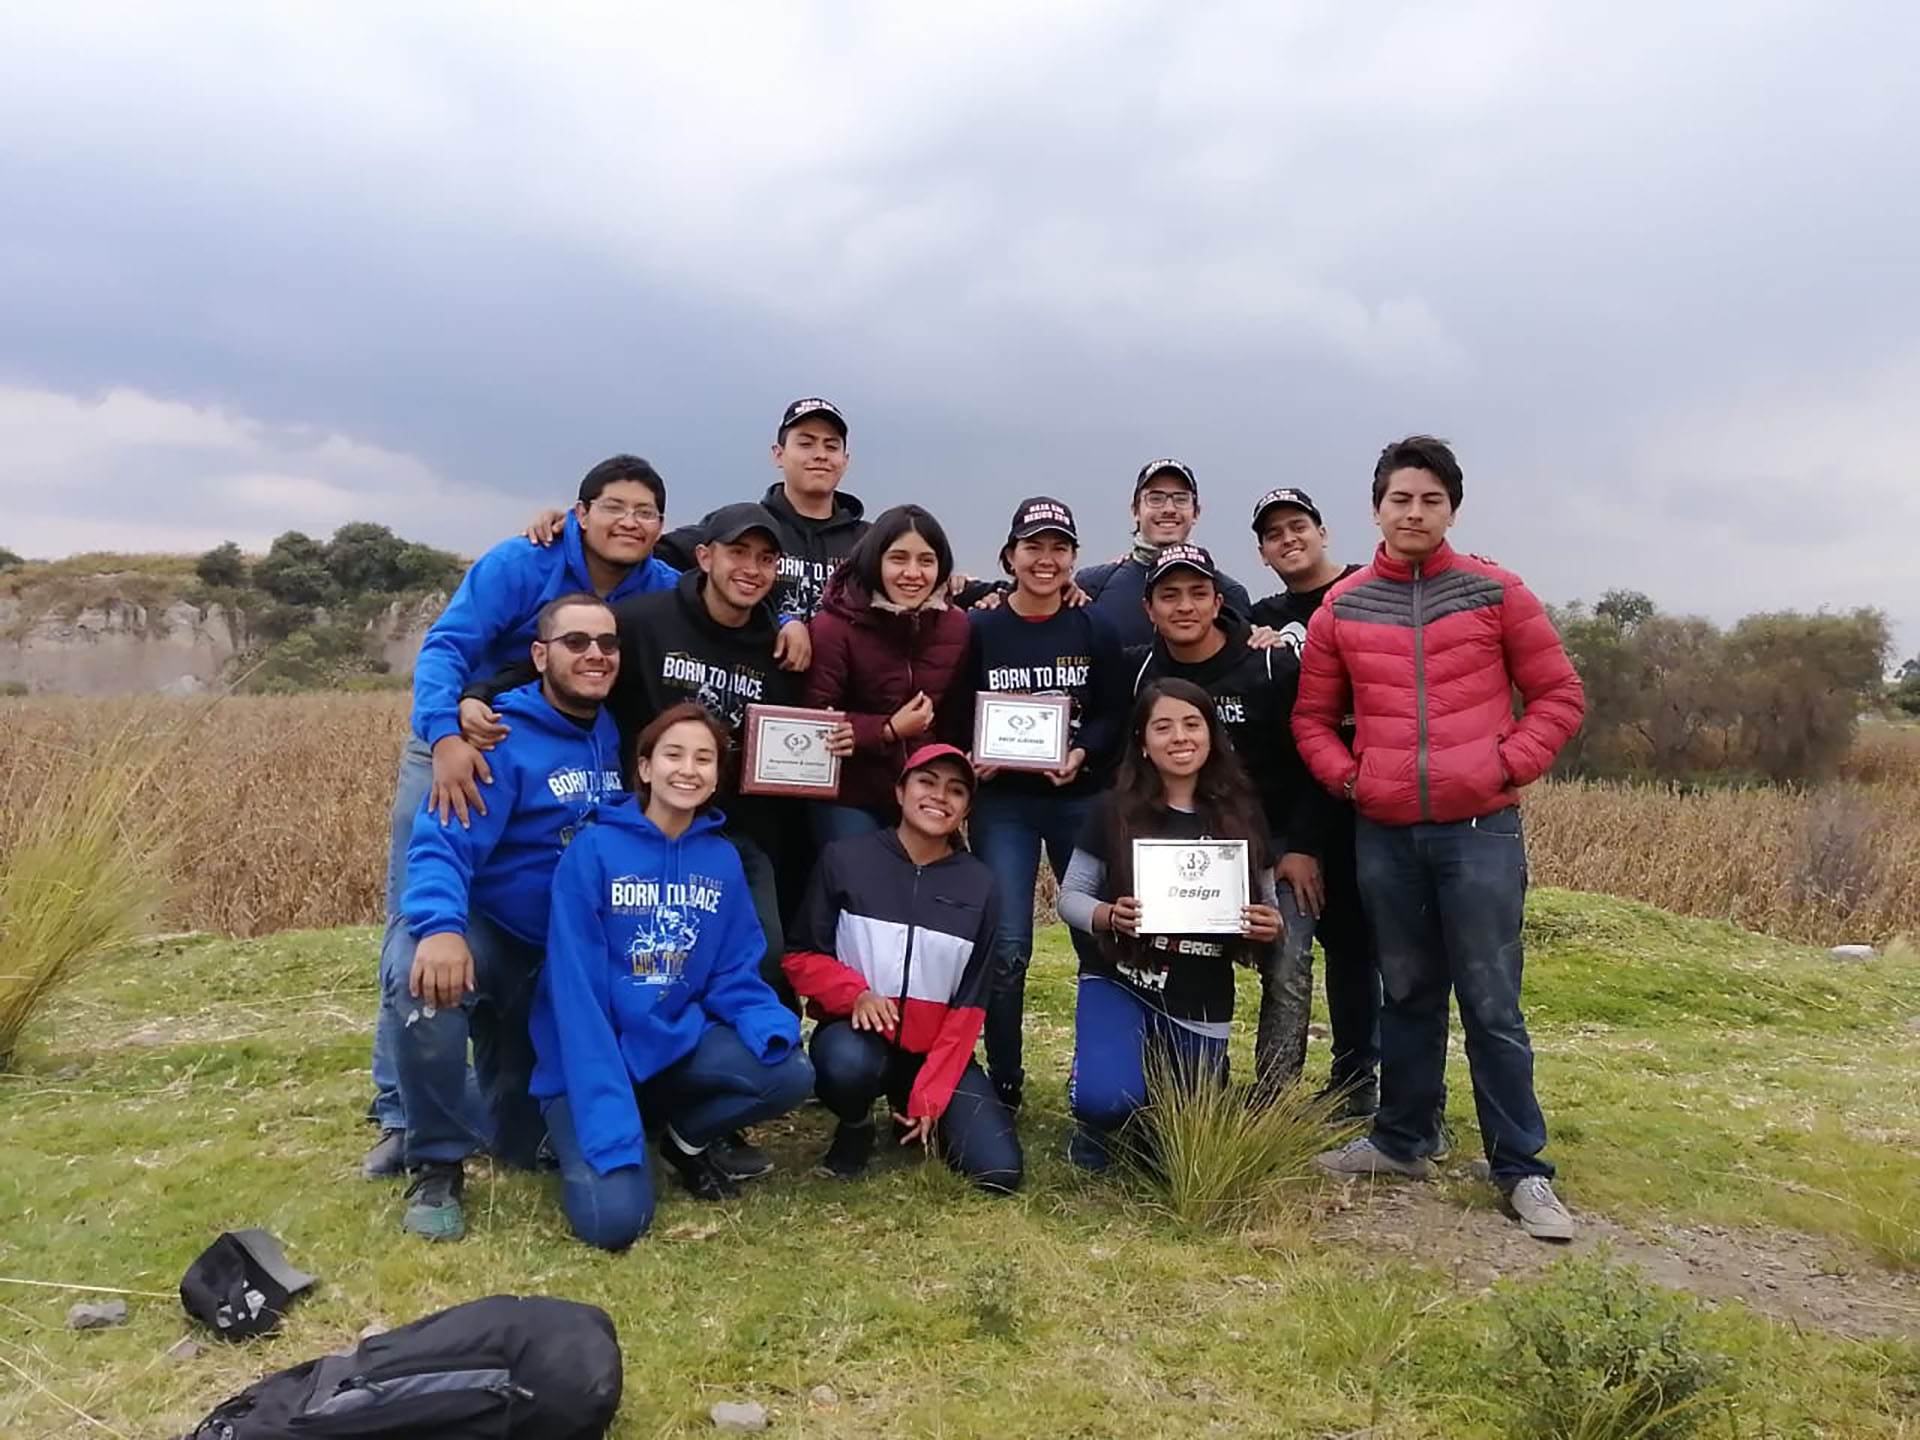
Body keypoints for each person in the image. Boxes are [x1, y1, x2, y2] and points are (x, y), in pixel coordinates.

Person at [465, 505, 849, 1183]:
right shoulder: (643, 622)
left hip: (732, 838)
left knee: (755, 965)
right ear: (705, 556)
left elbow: (810, 724)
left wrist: (844, 734)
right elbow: (567, 664)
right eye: (738, 554)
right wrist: (478, 694)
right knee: (611, 972)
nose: (751, 570)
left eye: (767, 560)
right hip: (636, 832)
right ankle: (601, 1099)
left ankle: (696, 1118)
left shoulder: (781, 643)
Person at [1293, 435, 1586, 1243]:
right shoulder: (1343, 607)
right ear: (1376, 508)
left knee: (1492, 1004)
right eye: (1399, 499)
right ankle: (1402, 1139)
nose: (1413, 512)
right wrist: (1354, 782)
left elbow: (1559, 694)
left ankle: (1522, 1169)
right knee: (1408, 993)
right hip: (1385, 832)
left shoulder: (1496, 591)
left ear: (1451, 507)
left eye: (1430, 499)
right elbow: (1313, 721)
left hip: (1481, 829)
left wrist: (1505, 765)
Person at [365, 456, 677, 1180]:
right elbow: (447, 646)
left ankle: (522, 1094)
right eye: (615, 508)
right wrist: (445, 731)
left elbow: (728, 581)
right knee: (420, 921)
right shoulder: (520, 560)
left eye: (646, 512)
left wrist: (788, 617)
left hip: (569, 741)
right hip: (470, 740)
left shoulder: (657, 579)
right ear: (579, 512)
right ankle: (399, 1112)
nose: (630, 523)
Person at [389, 593, 628, 1241]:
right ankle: (435, 1162)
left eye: (607, 644)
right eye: (576, 642)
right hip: (493, 933)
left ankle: (490, 1107)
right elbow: (442, 841)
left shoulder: (613, 731)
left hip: (563, 955)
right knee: (424, 984)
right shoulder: (499, 736)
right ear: (540, 654)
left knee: (520, 1146)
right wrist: (440, 928)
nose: (595, 655)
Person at [532, 703, 815, 1250]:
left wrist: (765, 1023)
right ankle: (588, 1129)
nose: (689, 769)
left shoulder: (721, 860)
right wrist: (605, 1109)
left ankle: (679, 1137)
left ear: (716, 777)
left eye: (704, 759)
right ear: (644, 768)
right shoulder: (593, 851)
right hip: (592, 1059)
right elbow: (576, 996)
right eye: (674, 755)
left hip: (670, 1046)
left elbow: (734, 969)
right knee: (615, 1224)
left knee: (791, 1071)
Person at [1057, 680, 1282, 1171]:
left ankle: (1142, 1100)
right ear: (1142, 741)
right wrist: (1107, 915)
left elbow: (1269, 905)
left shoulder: (1243, 813)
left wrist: (1268, 924)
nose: (1179, 737)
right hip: (1121, 980)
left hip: (1199, 993)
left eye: (1192, 724)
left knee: (1181, 1138)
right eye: (1163, 727)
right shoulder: (1112, 809)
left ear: (1211, 734)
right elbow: (1069, 897)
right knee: (1106, 1099)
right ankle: (1093, 1107)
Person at [1131, 542, 1327, 1097]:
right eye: (1169, 595)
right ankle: (1178, 1085)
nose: (1184, 606)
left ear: (1219, 600)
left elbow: (1314, 760)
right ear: (1150, 609)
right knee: (1171, 954)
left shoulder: (1269, 663)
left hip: (1278, 840)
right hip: (1189, 846)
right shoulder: (1143, 672)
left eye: (1198, 593)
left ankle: (1272, 1100)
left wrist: (1304, 847)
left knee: (1287, 958)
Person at [783, 744, 1021, 1192]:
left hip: (933, 1050)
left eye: (955, 790)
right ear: (900, 791)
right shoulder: (845, 859)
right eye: (926, 783)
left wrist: (932, 1094)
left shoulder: (980, 883)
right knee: (845, 1064)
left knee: (999, 1173)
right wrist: (854, 993)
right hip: (858, 1038)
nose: (939, 797)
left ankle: (910, 1105)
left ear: (967, 808)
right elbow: (800, 956)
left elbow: (972, 1004)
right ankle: (855, 1125)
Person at [965, 497, 1129, 1115]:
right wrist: (969, 756)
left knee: (1098, 937)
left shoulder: (1095, 627)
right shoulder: (978, 627)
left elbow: (1115, 710)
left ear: (1074, 559)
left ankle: (1100, 1072)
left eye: (1059, 547)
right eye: (1034, 546)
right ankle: (1005, 1080)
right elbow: (959, 705)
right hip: (1004, 803)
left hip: (1078, 800)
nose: (1046, 558)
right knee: (1008, 948)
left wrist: (1083, 751)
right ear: (1010, 556)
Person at [1246, 487, 1380, 1115]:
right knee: (1301, 944)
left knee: (1356, 944)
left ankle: (1359, 1080)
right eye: (1275, 534)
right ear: (1263, 552)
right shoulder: (1263, 614)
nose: (1289, 539)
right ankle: (1283, 1089)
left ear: (1323, 531)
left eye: (1298, 526)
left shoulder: (1365, 587)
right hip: (1301, 789)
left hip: (1364, 789)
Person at [802, 505, 973, 844]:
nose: (912, 572)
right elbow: (814, 719)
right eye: (898, 558)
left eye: (926, 560)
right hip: (848, 794)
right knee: (862, 884)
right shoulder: (833, 625)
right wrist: (888, 730)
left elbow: (957, 714)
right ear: (875, 560)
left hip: (924, 793)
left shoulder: (957, 625)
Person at [1074, 459, 1254, 649]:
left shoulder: (1229, 591)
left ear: (1196, 513)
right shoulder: (1092, 584)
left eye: (1181, 499)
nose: (1169, 509)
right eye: (1156, 498)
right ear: (1135, 510)